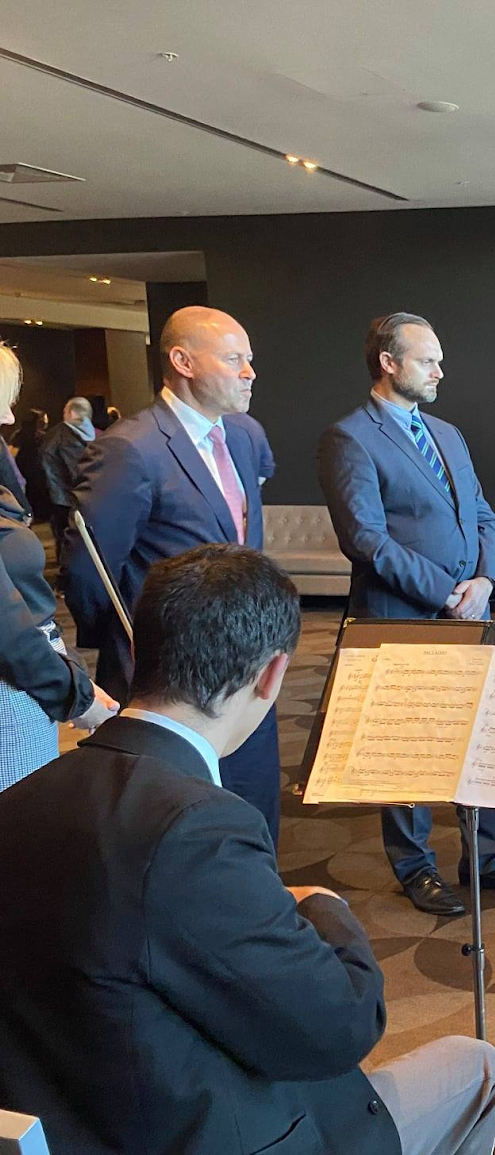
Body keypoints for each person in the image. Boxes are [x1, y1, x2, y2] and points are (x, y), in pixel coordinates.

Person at [0, 545, 495, 1155]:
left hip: (77, 1150)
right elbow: (341, 1026)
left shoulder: (21, 799)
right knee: (477, 1065)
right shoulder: (196, 829)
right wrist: (325, 904)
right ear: (271, 677)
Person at [319, 312, 495, 916]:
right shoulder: (351, 437)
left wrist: (486, 579)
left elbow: (483, 516)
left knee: (485, 733)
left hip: (473, 608)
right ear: (388, 363)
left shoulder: (447, 433)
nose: (440, 370)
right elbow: (365, 539)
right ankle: (415, 867)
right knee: (409, 745)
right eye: (428, 360)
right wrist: (447, 592)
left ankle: (490, 858)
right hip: (402, 616)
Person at [61, 306, 282, 843]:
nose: (250, 372)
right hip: (166, 674)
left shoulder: (246, 434)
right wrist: (123, 643)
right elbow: (88, 569)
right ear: (182, 361)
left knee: (251, 807)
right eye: (235, 359)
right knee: (177, 822)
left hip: (249, 666)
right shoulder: (128, 448)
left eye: (249, 359)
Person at [0, 351, 116, 788]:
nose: (10, 415)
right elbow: (7, 630)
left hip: (29, 679)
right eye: (4, 398)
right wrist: (74, 695)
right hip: (13, 688)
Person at [37, 395, 96, 550]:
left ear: (71, 413)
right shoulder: (96, 434)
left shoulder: (59, 434)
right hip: (90, 494)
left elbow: (46, 461)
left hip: (62, 497)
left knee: (65, 540)